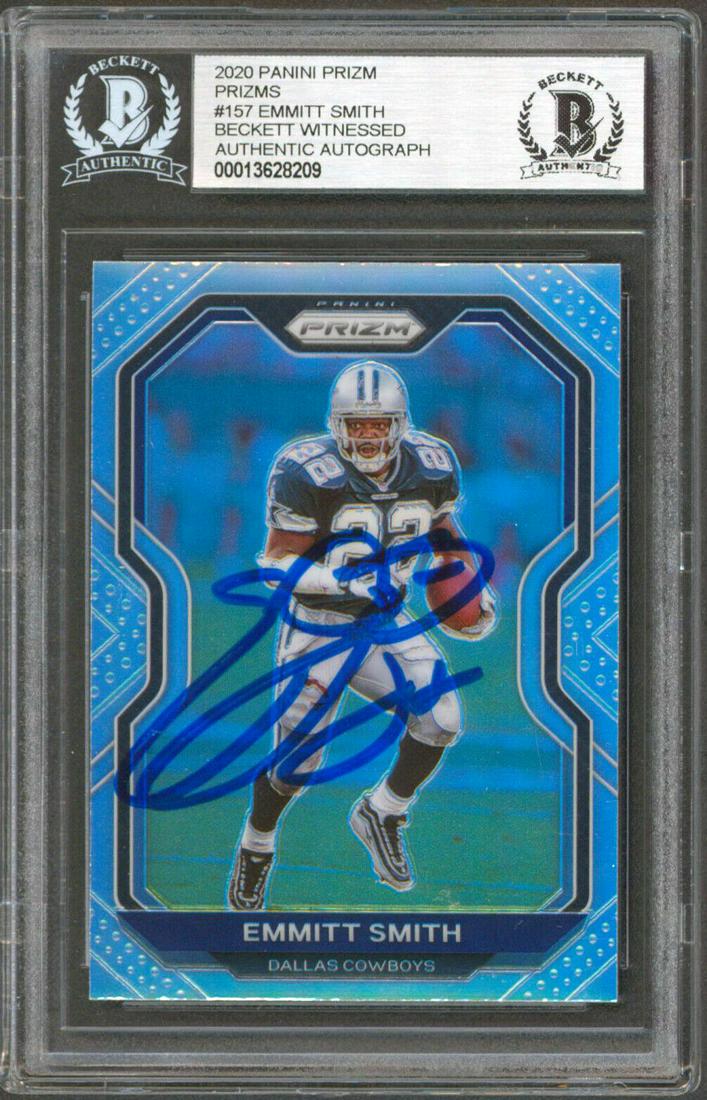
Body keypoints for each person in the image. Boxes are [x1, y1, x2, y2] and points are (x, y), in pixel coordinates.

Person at [228, 360, 496, 909]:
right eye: (357, 424)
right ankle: (256, 846)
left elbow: (443, 530)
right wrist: (339, 580)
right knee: (295, 768)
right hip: (319, 624)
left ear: (400, 424)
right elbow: (275, 564)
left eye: (378, 424)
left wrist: (468, 580)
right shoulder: (306, 470)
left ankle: (383, 812)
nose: (367, 435)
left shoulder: (432, 464)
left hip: (383, 621)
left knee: (443, 718)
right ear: (337, 424)